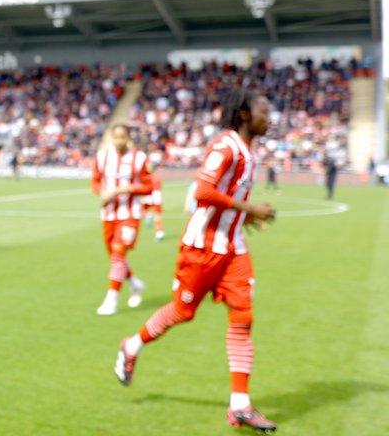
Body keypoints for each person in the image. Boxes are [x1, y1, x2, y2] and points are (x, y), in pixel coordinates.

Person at [113, 90, 279, 433]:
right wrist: (250, 209)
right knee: (182, 312)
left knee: (243, 316)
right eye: (264, 110)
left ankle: (240, 405)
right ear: (245, 114)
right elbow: (202, 192)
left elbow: (223, 199)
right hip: (201, 248)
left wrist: (241, 220)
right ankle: (131, 345)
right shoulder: (226, 145)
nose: (270, 117)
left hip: (232, 247)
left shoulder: (248, 151)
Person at [91, 124, 154, 316]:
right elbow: (94, 180)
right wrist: (101, 192)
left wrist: (126, 188)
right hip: (109, 214)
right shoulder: (102, 157)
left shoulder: (139, 158)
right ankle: (135, 284)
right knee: (115, 257)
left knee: (118, 253)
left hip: (130, 214)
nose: (118, 141)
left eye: (122, 137)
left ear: (128, 138)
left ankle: (112, 299)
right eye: (115, 137)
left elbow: (149, 186)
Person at [143, 160, 165, 241]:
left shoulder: (152, 177)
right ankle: (149, 216)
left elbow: (155, 189)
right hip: (151, 196)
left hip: (154, 197)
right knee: (143, 209)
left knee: (157, 216)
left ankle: (159, 233)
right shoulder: (151, 177)